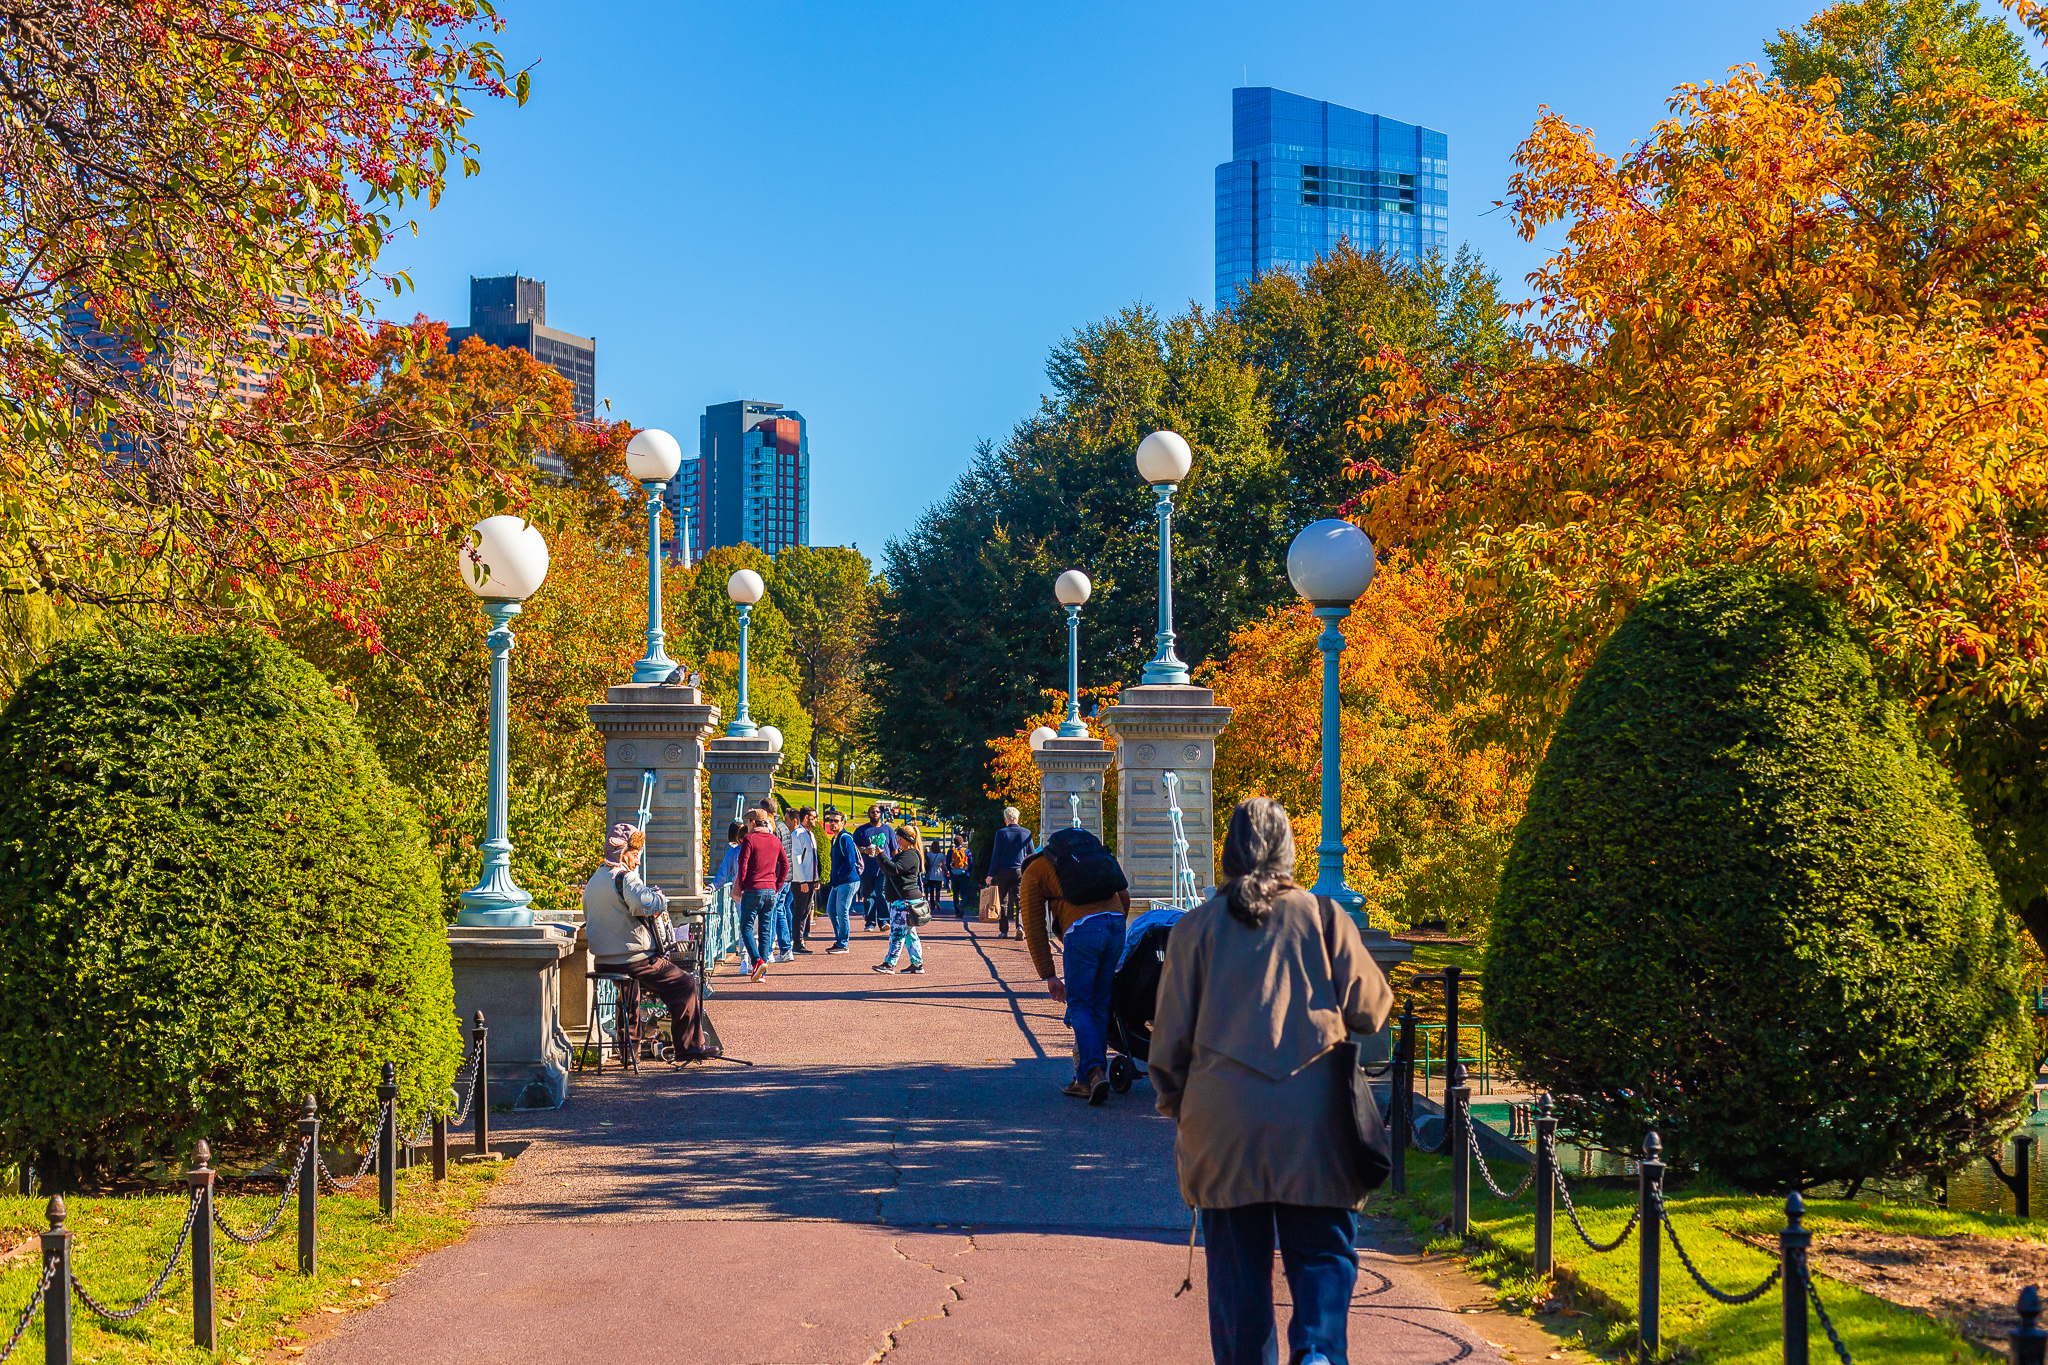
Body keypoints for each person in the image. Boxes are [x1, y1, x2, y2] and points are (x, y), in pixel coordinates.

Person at [1149, 798, 1395, 1365]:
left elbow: (1167, 1049)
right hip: (1316, 1124)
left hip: (1222, 1125)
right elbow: (1373, 1009)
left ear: (1228, 855)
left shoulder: (1195, 929)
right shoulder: (1324, 916)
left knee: (1237, 1279)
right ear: (1288, 855)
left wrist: (1179, 1107)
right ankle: (1316, 1354)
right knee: (1322, 1259)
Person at [582, 823, 716, 1060]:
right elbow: (643, 903)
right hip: (633, 960)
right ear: (622, 854)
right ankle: (689, 1047)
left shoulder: (594, 881)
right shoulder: (624, 877)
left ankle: (629, 1053)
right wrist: (660, 898)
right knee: (684, 984)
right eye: (634, 855)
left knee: (629, 994)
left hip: (603, 962)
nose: (638, 862)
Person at [1020, 826, 1133, 1104]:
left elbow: (1034, 926)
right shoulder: (1090, 856)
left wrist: (1049, 975)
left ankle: (1095, 1071)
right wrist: (1111, 929)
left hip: (1082, 931)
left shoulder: (1034, 872)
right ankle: (1084, 1081)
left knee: (1080, 1004)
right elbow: (1125, 895)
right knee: (1099, 1003)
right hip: (1116, 923)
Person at [735, 808, 789, 983]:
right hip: (770, 891)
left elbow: (743, 866)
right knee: (765, 931)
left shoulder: (749, 839)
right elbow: (785, 865)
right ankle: (762, 972)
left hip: (753, 889)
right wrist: (777, 885)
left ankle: (756, 961)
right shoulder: (774, 840)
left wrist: (742, 886)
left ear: (753, 822)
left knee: (746, 928)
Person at [873, 822, 928, 975]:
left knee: (897, 933)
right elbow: (889, 869)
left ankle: (889, 964)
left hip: (904, 901)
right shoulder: (907, 854)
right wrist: (879, 857)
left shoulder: (910, 855)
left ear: (907, 839)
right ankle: (917, 964)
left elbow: (894, 869)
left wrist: (880, 855)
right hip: (905, 899)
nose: (897, 840)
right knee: (910, 934)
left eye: (900, 838)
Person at [985, 806, 1034, 938]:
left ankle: (1004, 930)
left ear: (1005, 819)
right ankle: (1020, 927)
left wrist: (990, 874)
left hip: (1003, 871)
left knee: (1003, 901)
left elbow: (996, 855)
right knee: (1019, 901)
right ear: (1017, 818)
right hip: (1020, 870)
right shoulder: (1026, 833)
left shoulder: (1001, 833)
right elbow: (1031, 855)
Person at [710, 820, 748, 969]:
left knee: (756, 928)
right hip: (743, 894)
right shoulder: (733, 853)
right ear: (739, 839)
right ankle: (745, 959)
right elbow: (722, 874)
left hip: (759, 892)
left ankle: (757, 959)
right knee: (745, 926)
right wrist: (712, 887)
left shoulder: (759, 849)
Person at [821, 808, 859, 953]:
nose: (832, 823)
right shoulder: (835, 839)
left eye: (836, 821)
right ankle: (839, 940)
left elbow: (850, 861)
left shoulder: (845, 838)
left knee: (842, 911)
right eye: (830, 820)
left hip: (847, 881)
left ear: (842, 823)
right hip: (838, 882)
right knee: (831, 910)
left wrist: (841, 876)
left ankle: (843, 943)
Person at [854, 804, 897, 932]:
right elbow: (854, 846)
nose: (875, 814)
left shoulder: (888, 830)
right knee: (868, 895)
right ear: (869, 814)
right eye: (872, 812)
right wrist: (864, 850)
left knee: (882, 892)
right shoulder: (862, 830)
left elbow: (894, 849)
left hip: (884, 868)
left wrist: (895, 866)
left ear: (881, 814)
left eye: (877, 812)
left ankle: (884, 920)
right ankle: (870, 922)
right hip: (867, 868)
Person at [788, 806, 821, 953]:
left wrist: (816, 879)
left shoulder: (810, 834)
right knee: (800, 912)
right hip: (800, 881)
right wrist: (802, 881)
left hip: (809, 879)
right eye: (814, 817)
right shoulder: (798, 834)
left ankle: (800, 939)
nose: (816, 820)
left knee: (806, 912)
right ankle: (796, 943)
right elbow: (796, 858)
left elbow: (813, 859)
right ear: (806, 818)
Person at [948, 836, 976, 918]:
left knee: (955, 893)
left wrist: (951, 871)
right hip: (964, 874)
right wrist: (969, 872)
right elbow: (971, 863)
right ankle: (963, 903)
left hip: (954, 874)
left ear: (954, 842)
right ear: (962, 842)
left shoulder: (951, 851)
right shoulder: (967, 851)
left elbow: (947, 863)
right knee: (964, 892)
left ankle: (957, 911)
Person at [922, 833, 947, 915]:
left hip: (931, 873)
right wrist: (946, 871)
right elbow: (943, 865)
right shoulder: (941, 855)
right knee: (938, 890)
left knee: (931, 890)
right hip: (938, 873)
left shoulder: (929, 855)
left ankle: (932, 904)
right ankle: (938, 901)